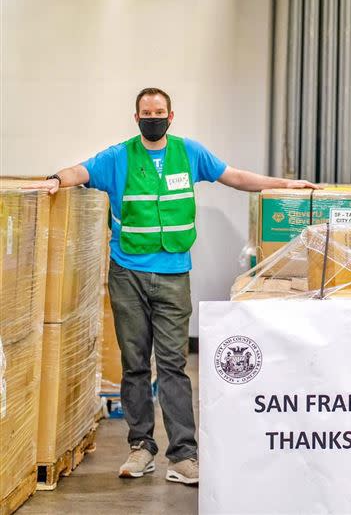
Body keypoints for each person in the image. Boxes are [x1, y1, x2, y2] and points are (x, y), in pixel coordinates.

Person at [25, 87, 318, 485]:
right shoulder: (119, 156)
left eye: (158, 112)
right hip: (127, 272)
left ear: (170, 116)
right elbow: (82, 171)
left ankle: (183, 456)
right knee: (134, 365)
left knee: (173, 366)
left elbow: (234, 176)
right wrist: (56, 179)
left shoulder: (189, 153)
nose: (152, 117)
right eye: (146, 112)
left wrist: (285, 184)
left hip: (174, 273)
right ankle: (141, 447)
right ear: (136, 118)